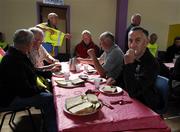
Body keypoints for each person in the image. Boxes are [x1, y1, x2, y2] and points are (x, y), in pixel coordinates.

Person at [0, 29, 57, 132]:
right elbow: (24, 91)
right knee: (49, 98)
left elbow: (32, 70)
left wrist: (50, 72)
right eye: (32, 41)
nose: (34, 44)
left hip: (19, 92)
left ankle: (47, 121)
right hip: (11, 98)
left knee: (49, 93)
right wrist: (41, 89)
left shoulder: (19, 53)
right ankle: (52, 129)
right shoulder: (12, 60)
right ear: (27, 44)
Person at [107, 27, 163, 112]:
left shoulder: (152, 63)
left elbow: (134, 92)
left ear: (146, 42)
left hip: (145, 104)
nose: (132, 45)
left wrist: (128, 65)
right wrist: (114, 81)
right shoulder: (130, 57)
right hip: (128, 99)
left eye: (137, 40)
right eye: (130, 40)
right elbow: (122, 78)